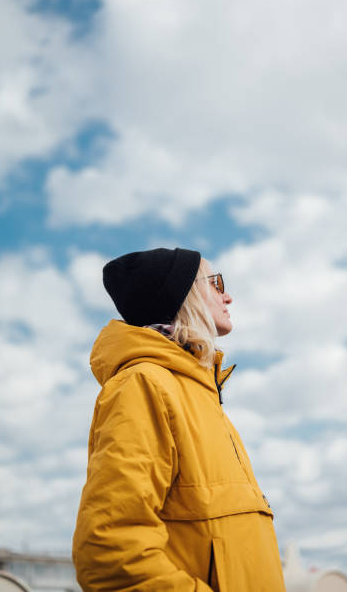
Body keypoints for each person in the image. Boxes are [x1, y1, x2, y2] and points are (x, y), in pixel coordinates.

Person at [73, 247, 286, 591]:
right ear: (181, 294)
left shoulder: (205, 398)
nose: (227, 296)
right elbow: (110, 550)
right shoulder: (144, 385)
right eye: (215, 283)